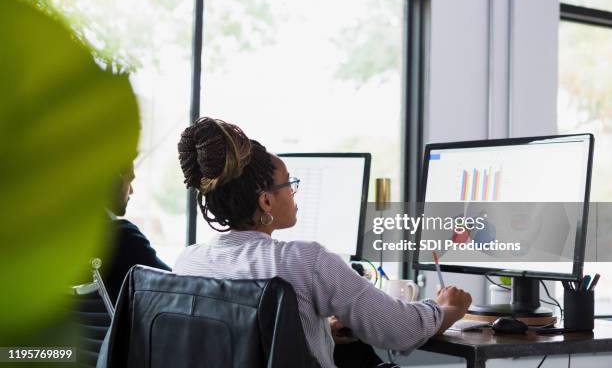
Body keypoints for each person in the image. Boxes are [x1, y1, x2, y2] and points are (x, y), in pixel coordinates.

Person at [173, 117, 472, 368]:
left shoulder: (188, 262)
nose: (293, 191)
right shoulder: (305, 262)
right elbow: (400, 328)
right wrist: (445, 308)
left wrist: (313, 332)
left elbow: (238, 342)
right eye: (288, 183)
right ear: (266, 201)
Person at [102, 163, 170, 303]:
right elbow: (176, 284)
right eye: (129, 181)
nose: (131, 191)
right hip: (121, 325)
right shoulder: (122, 237)